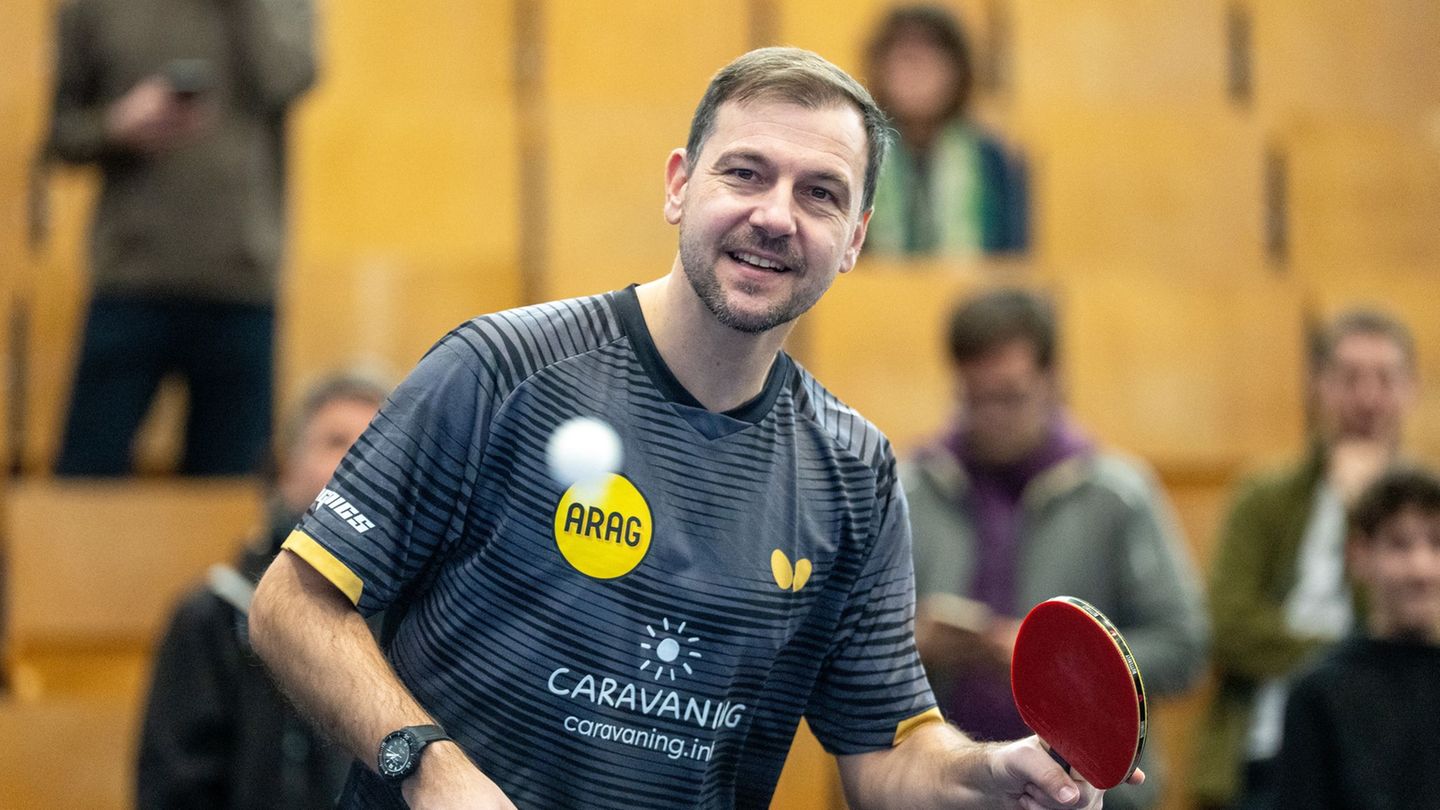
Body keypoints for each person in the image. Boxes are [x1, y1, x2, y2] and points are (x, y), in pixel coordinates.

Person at [247, 48, 1140, 809]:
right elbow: (293, 603)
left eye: (821, 194)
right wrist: (429, 770)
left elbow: (887, 749)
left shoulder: (855, 468)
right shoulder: (501, 368)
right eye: (745, 172)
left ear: (858, 236)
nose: (775, 215)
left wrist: (991, 770)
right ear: (680, 185)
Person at [902, 288, 1208, 810]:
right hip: (946, 786)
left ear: (1053, 383)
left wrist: (1064, 664)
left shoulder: (1118, 494)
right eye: (975, 399)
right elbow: (852, 650)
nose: (991, 417)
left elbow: (1183, 647)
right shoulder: (909, 489)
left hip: (1086, 793)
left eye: (1011, 396)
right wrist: (913, 644)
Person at [46, 0, 316, 476]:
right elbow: (58, 133)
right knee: (86, 484)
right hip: (130, 277)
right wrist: (118, 124)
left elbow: (291, 77)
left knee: (230, 495)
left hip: (241, 279)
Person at [1193, 308, 1421, 810]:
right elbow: (1230, 629)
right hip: (1262, 756)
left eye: (1384, 379)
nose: (1366, 398)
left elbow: (1405, 636)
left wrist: (1363, 514)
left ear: (1411, 391)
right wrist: (1344, 657)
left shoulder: (1428, 521)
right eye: (1348, 378)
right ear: (1318, 387)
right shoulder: (1263, 497)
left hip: (1391, 758)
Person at [136, 373, 388, 808]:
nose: (358, 462)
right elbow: (173, 791)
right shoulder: (213, 615)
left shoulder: (423, 616)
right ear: (287, 466)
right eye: (336, 442)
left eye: (377, 446)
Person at [1271, 466, 1440, 810]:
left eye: (1437, 543)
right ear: (1359, 555)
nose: (1421, 567)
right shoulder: (1319, 692)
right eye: (1399, 545)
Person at [862, 5, 1028, 257]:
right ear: (879, 68)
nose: (916, 71)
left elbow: (1012, 262)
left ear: (959, 71)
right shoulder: (858, 149)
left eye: (932, 57)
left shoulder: (993, 158)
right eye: (904, 57)